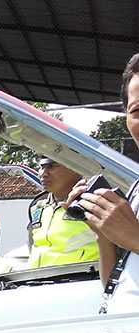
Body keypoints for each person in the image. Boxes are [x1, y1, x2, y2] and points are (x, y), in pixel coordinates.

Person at [70, 52, 139, 314]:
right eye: (137, 110)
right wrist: (103, 233)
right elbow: (115, 284)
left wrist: (135, 238)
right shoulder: (136, 189)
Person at [26, 158, 96, 268]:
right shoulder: (37, 205)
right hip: (38, 280)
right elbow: (32, 245)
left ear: (74, 168)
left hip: (82, 280)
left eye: (53, 166)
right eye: (42, 167)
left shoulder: (92, 201)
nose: (44, 174)